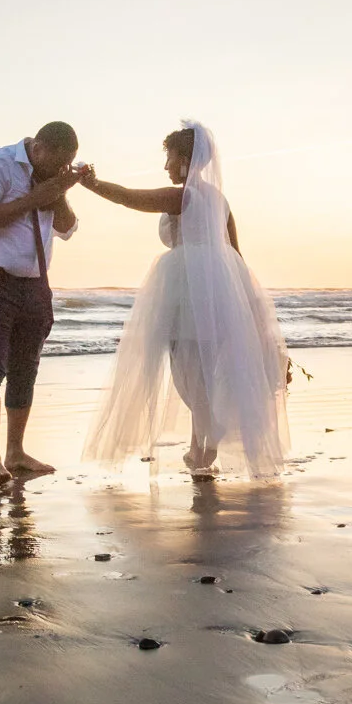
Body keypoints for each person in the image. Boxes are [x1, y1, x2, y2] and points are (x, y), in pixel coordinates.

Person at [77, 122, 290, 478]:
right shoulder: (220, 201)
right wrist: (250, 308)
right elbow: (236, 252)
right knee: (204, 371)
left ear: (185, 159)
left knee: (189, 372)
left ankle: (205, 442)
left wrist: (92, 184)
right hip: (223, 286)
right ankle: (202, 440)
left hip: (188, 288)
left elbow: (130, 198)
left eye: (170, 158)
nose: (165, 166)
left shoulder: (183, 196)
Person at [0, 121, 86, 490]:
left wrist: (59, 191)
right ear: (38, 147)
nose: (59, 168)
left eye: (68, 163)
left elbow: (66, 228)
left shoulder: (53, 177)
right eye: (56, 161)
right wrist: (35, 196)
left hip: (35, 283)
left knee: (25, 370)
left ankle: (16, 451)